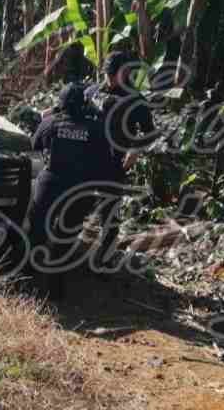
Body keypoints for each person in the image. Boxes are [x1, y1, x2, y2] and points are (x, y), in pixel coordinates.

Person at [25, 82, 116, 300]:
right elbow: (106, 159)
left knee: (37, 227)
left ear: (61, 104)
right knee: (64, 239)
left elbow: (34, 145)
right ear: (85, 104)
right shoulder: (97, 128)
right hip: (80, 189)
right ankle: (55, 292)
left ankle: (26, 278)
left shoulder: (51, 123)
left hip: (51, 183)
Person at [84, 51, 156, 263]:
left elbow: (149, 132)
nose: (111, 78)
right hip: (85, 158)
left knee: (109, 213)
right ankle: (72, 249)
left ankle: (104, 259)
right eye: (108, 74)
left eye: (115, 74)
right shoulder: (92, 91)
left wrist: (135, 150)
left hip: (114, 161)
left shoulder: (136, 100)